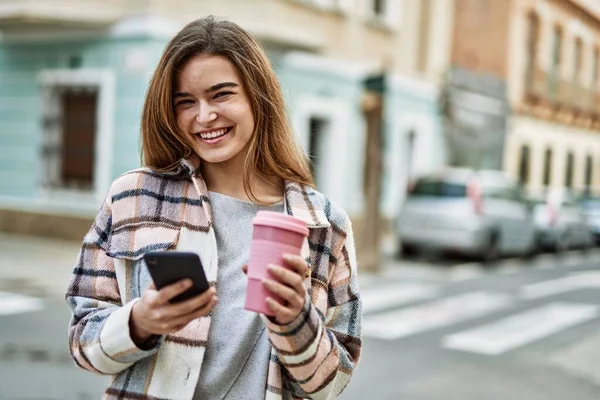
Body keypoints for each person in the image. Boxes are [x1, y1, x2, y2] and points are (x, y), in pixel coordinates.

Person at [66, 16, 362, 400]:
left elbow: (333, 384)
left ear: (258, 97)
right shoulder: (132, 197)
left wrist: (295, 320)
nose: (204, 116)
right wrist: (141, 321)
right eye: (185, 102)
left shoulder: (324, 226)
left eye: (222, 94)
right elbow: (82, 344)